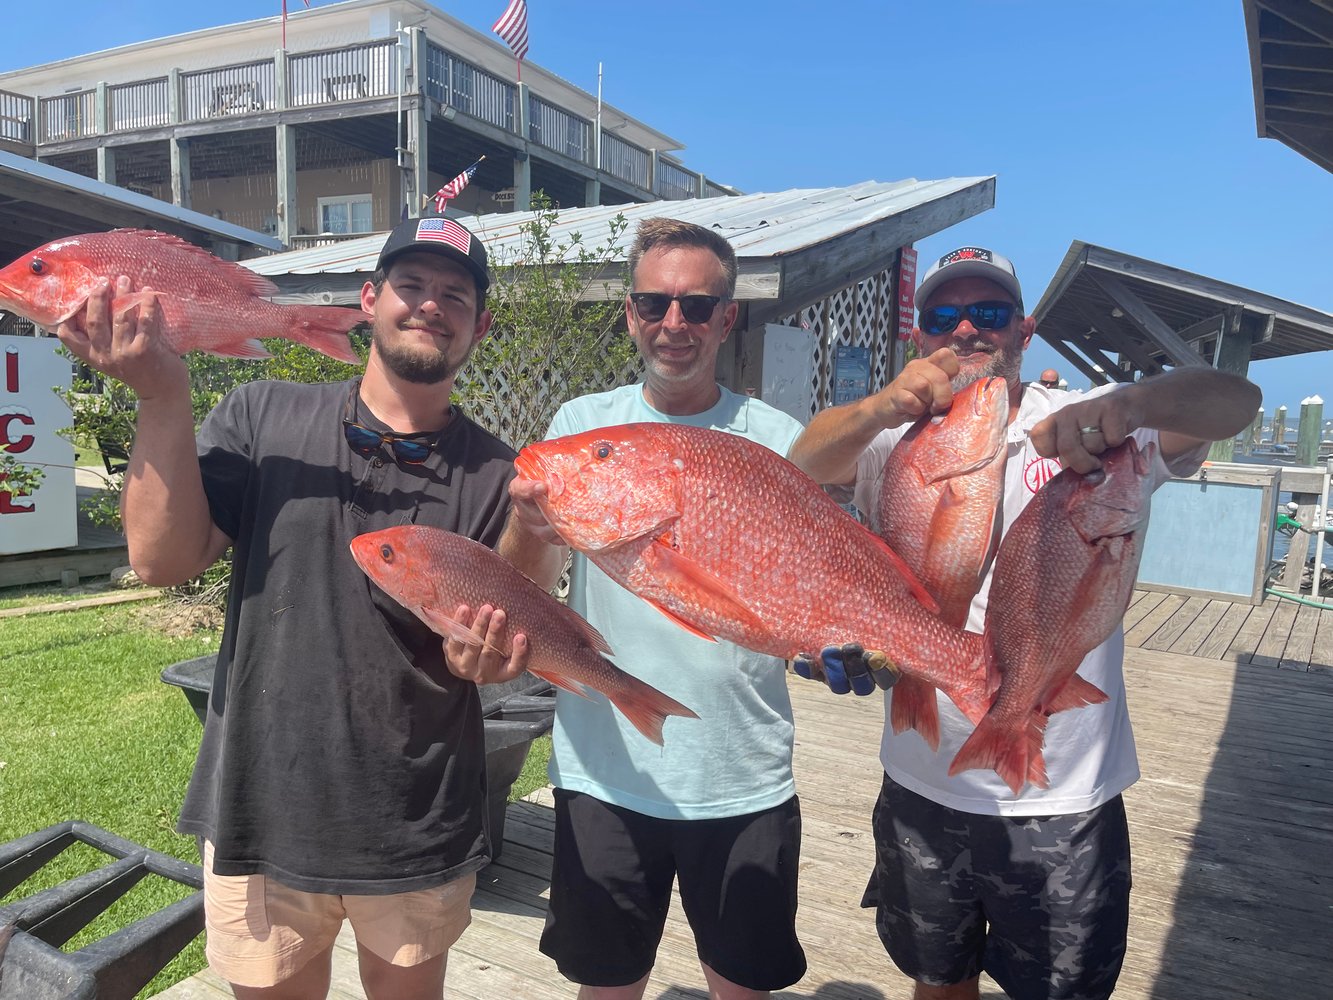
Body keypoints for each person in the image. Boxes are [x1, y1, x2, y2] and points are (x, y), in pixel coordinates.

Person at [54, 215, 527, 1000]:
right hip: (261, 807)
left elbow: (482, 642)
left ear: (479, 323)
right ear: (370, 300)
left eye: (454, 294)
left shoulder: (500, 475)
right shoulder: (261, 414)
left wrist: (486, 657)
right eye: (410, 285)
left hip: (415, 814)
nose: (429, 305)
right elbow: (161, 561)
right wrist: (161, 394)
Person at [787, 244, 1261, 1000]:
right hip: (921, 779)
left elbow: (1236, 402)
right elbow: (803, 461)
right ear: (917, 334)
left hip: (1061, 792)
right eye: (943, 315)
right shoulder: (890, 442)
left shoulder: (1088, 427)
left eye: (989, 313)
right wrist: (883, 404)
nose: (966, 330)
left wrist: (1134, 404)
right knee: (938, 980)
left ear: (1023, 330)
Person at [494, 217, 808, 1000]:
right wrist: (531, 527)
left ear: (727, 318)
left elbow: (811, 587)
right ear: (630, 313)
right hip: (606, 770)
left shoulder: (777, 439)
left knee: (742, 985)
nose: (675, 325)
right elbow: (527, 592)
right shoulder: (579, 429)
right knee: (605, 985)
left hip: (742, 769)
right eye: (654, 304)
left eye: (697, 307)